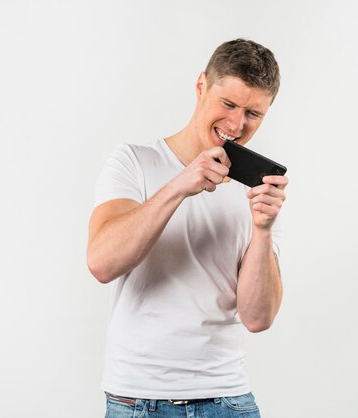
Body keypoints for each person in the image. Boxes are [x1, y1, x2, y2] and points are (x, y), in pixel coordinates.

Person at [87, 39, 288, 418]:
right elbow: (101, 263)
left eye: (253, 113)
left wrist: (262, 230)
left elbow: (258, 318)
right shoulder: (134, 161)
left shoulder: (259, 192)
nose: (236, 124)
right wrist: (180, 184)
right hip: (137, 400)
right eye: (228, 104)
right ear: (201, 86)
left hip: (228, 399)